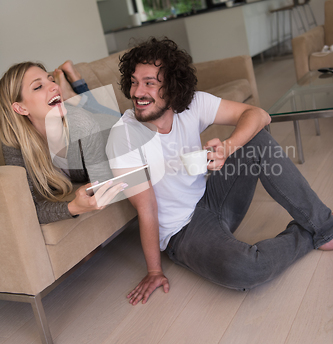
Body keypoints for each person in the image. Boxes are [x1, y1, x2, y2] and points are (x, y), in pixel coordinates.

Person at [106, 37, 333, 306]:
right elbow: (147, 210)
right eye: (133, 82)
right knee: (247, 270)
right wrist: (154, 271)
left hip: (213, 197)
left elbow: (259, 114)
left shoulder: (192, 104)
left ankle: (325, 226)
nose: (137, 92)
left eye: (149, 83)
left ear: (172, 87)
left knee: (256, 139)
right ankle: (310, 233)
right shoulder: (123, 138)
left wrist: (228, 147)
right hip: (184, 231)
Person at [0, 60, 125, 225]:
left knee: (131, 124)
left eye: (51, 79)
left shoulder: (81, 125)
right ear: (21, 109)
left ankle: (75, 98)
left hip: (117, 129)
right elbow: (28, 208)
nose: (54, 86)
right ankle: (75, 97)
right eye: (38, 87)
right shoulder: (15, 144)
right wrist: (73, 207)